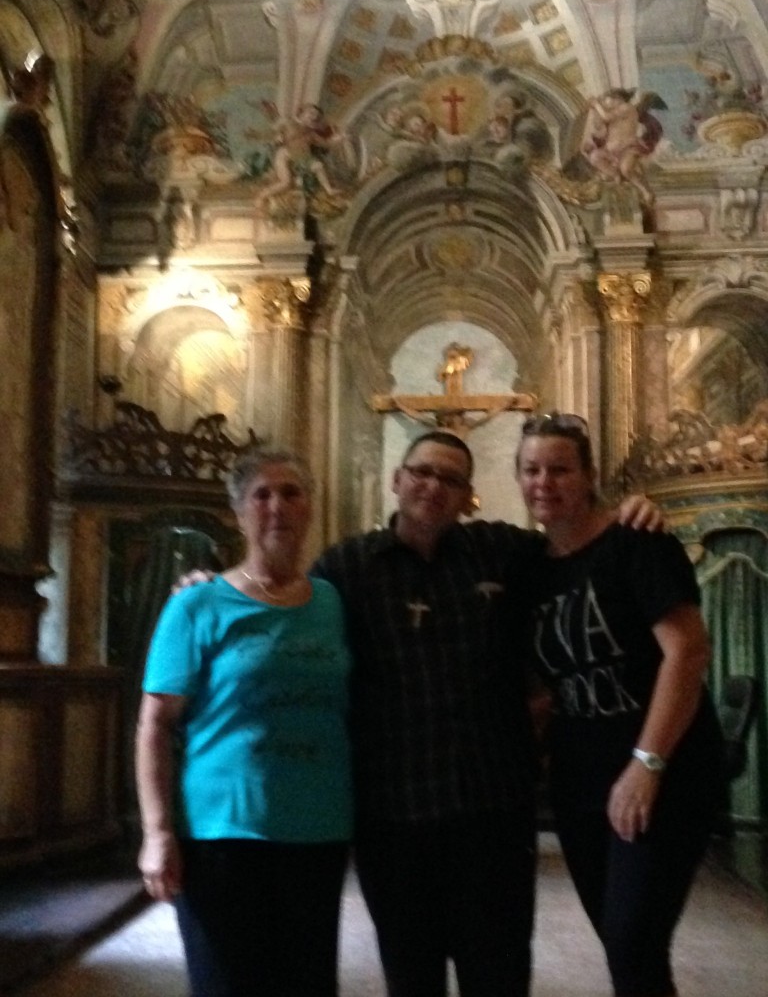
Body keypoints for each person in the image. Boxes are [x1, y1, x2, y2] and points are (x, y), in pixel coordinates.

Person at [174, 429, 660, 997]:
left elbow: (576, 543)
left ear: (468, 496)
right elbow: (281, 599)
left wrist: (630, 513)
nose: (433, 486)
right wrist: (209, 586)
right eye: (422, 472)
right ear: (396, 481)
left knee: (499, 978)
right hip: (393, 820)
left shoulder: (503, 552)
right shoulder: (346, 568)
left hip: (492, 815)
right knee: (411, 980)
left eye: (451, 479)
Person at [515, 413, 725, 997]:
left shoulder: (637, 542)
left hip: (664, 767)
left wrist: (646, 765)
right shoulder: (531, 567)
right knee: (621, 943)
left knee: (635, 944)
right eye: (531, 470)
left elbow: (687, 651)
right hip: (580, 776)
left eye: (560, 469)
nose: (544, 482)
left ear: (589, 476)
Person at [135, 449, 353, 997]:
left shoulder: (333, 602)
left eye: (291, 493)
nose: (277, 506)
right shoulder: (197, 605)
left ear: (310, 508)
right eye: (262, 495)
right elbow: (155, 725)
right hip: (221, 835)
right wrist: (157, 833)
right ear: (238, 513)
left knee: (307, 986)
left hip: (317, 830)